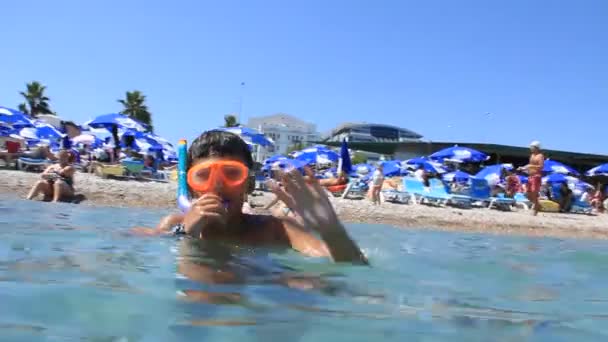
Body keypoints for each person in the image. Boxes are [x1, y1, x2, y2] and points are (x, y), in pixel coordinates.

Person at [132, 130, 368, 264]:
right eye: (204, 176)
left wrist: (332, 230)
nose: (217, 185)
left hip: (264, 293)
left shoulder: (277, 229)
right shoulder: (174, 224)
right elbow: (129, 240)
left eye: (232, 174)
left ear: (248, 184)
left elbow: (352, 266)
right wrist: (188, 235)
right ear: (192, 187)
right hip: (203, 300)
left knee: (304, 285)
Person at [519, 141, 545, 215]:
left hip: (536, 176)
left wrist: (530, 166)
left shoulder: (540, 156)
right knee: (528, 194)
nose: (530, 148)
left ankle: (536, 209)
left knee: (534, 193)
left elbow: (541, 166)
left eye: (532, 147)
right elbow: (530, 165)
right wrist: (523, 168)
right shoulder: (532, 155)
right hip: (530, 176)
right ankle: (538, 205)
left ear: (536, 148)